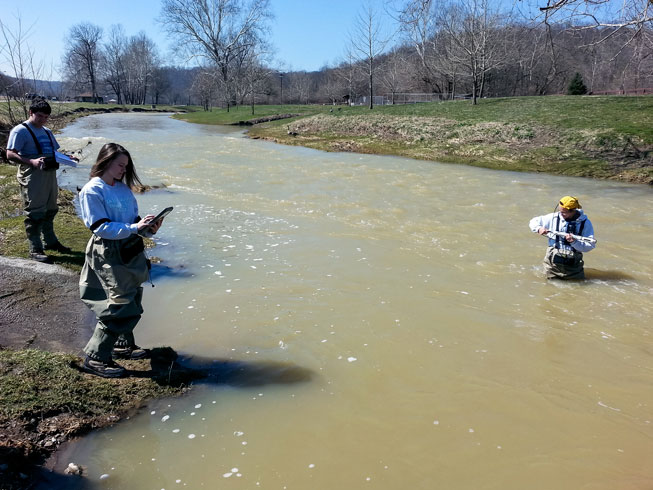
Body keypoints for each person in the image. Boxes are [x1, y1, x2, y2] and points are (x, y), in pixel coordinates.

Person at [78, 143, 164, 378]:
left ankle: (123, 346)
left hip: (130, 249)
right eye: (120, 165)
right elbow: (100, 227)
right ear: (104, 162)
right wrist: (134, 227)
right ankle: (95, 357)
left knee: (134, 295)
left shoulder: (124, 189)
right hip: (109, 251)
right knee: (119, 304)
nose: (123, 170)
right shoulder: (92, 190)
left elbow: (133, 224)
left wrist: (148, 228)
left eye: (126, 166)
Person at [6, 98, 76, 263]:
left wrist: (67, 157)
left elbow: (53, 151)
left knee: (51, 209)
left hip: (50, 174)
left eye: (46, 117)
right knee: (35, 212)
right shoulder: (20, 131)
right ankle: (35, 249)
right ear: (31, 113)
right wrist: (32, 161)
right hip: (32, 174)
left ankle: (50, 241)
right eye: (39, 116)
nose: (43, 120)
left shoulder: (47, 131)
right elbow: (9, 154)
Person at [529, 195, 596, 280]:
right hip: (552, 264)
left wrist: (574, 242)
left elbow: (589, 246)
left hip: (574, 266)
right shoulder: (553, 217)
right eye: (559, 211)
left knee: (576, 287)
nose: (560, 214)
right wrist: (539, 228)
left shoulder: (585, 223)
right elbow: (533, 222)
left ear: (573, 211)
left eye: (564, 212)